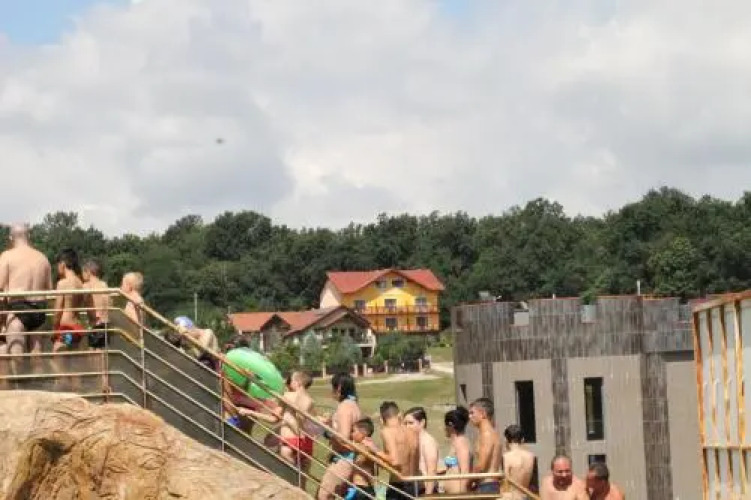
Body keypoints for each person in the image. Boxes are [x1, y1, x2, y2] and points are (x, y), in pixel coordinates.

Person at [241, 371, 316, 489]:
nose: (288, 382)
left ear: (297, 382)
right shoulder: (311, 401)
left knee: (288, 482)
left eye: (291, 380)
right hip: (306, 443)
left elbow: (273, 418)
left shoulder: (288, 396)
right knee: (302, 487)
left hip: (290, 442)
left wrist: (249, 412)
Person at [0, 223, 53, 358]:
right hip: (39, 311)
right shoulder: (42, 258)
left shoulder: (7, 256)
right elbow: (50, 289)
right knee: (37, 357)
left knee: (16, 357)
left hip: (18, 309)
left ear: (10, 238)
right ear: (29, 236)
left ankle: (17, 371)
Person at [317, 373, 362, 500]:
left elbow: (343, 437)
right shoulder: (353, 404)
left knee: (323, 496)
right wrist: (331, 424)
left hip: (344, 459)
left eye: (333, 387)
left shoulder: (345, 407)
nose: (331, 391)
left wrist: (326, 430)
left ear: (339, 388)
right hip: (348, 458)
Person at [378, 401, 420, 500]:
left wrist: (375, 450)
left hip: (398, 484)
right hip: (412, 483)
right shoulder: (412, 432)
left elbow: (395, 461)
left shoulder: (387, 431)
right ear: (399, 414)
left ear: (381, 418)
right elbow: (416, 459)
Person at [52, 249, 86, 353]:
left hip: (66, 329)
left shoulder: (62, 283)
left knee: (56, 357)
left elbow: (57, 311)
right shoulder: (80, 283)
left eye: (57, 264)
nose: (57, 268)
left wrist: (54, 330)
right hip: (77, 328)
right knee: (72, 360)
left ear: (62, 264)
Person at [469, 397, 502, 494]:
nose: (470, 416)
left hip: (487, 485)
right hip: (486, 484)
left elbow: (481, 466)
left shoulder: (487, 434)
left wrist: (467, 482)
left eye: (472, 413)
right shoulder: (488, 433)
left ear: (483, 414)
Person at [403, 406, 440, 495]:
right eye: (405, 423)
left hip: (425, 490)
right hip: (414, 489)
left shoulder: (428, 441)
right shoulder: (412, 441)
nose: (407, 426)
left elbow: (432, 471)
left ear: (422, 422)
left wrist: (428, 495)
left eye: (411, 423)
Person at [439, 407, 472, 494]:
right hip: (451, 493)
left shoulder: (461, 443)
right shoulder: (456, 442)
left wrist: (462, 495)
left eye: (445, 425)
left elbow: (465, 472)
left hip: (458, 492)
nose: (444, 428)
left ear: (451, 425)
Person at [346, 417, 380, 500]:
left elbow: (351, 447)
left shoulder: (366, 445)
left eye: (353, 431)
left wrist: (334, 435)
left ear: (363, 433)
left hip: (362, 488)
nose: (351, 434)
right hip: (361, 488)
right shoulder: (365, 444)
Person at [501, 425, 536, 499]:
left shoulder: (506, 457)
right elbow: (533, 483)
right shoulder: (531, 456)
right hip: (525, 496)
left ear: (506, 440)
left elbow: (505, 483)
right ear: (522, 440)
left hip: (512, 497)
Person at [82, 259, 110, 349]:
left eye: (83, 272)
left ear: (88, 272)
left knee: (93, 351)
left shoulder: (86, 285)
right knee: (102, 351)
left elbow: (85, 301)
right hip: (105, 323)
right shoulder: (104, 284)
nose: (82, 275)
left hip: (94, 323)